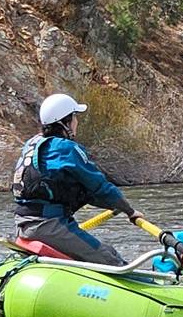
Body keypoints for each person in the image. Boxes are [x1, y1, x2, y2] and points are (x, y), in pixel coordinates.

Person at [12, 93, 135, 266]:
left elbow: (81, 191)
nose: (77, 122)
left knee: (109, 250)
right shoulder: (65, 149)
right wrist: (130, 211)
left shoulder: (33, 144)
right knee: (111, 261)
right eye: (75, 117)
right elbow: (100, 187)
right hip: (48, 226)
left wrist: (115, 206)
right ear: (65, 123)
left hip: (23, 224)